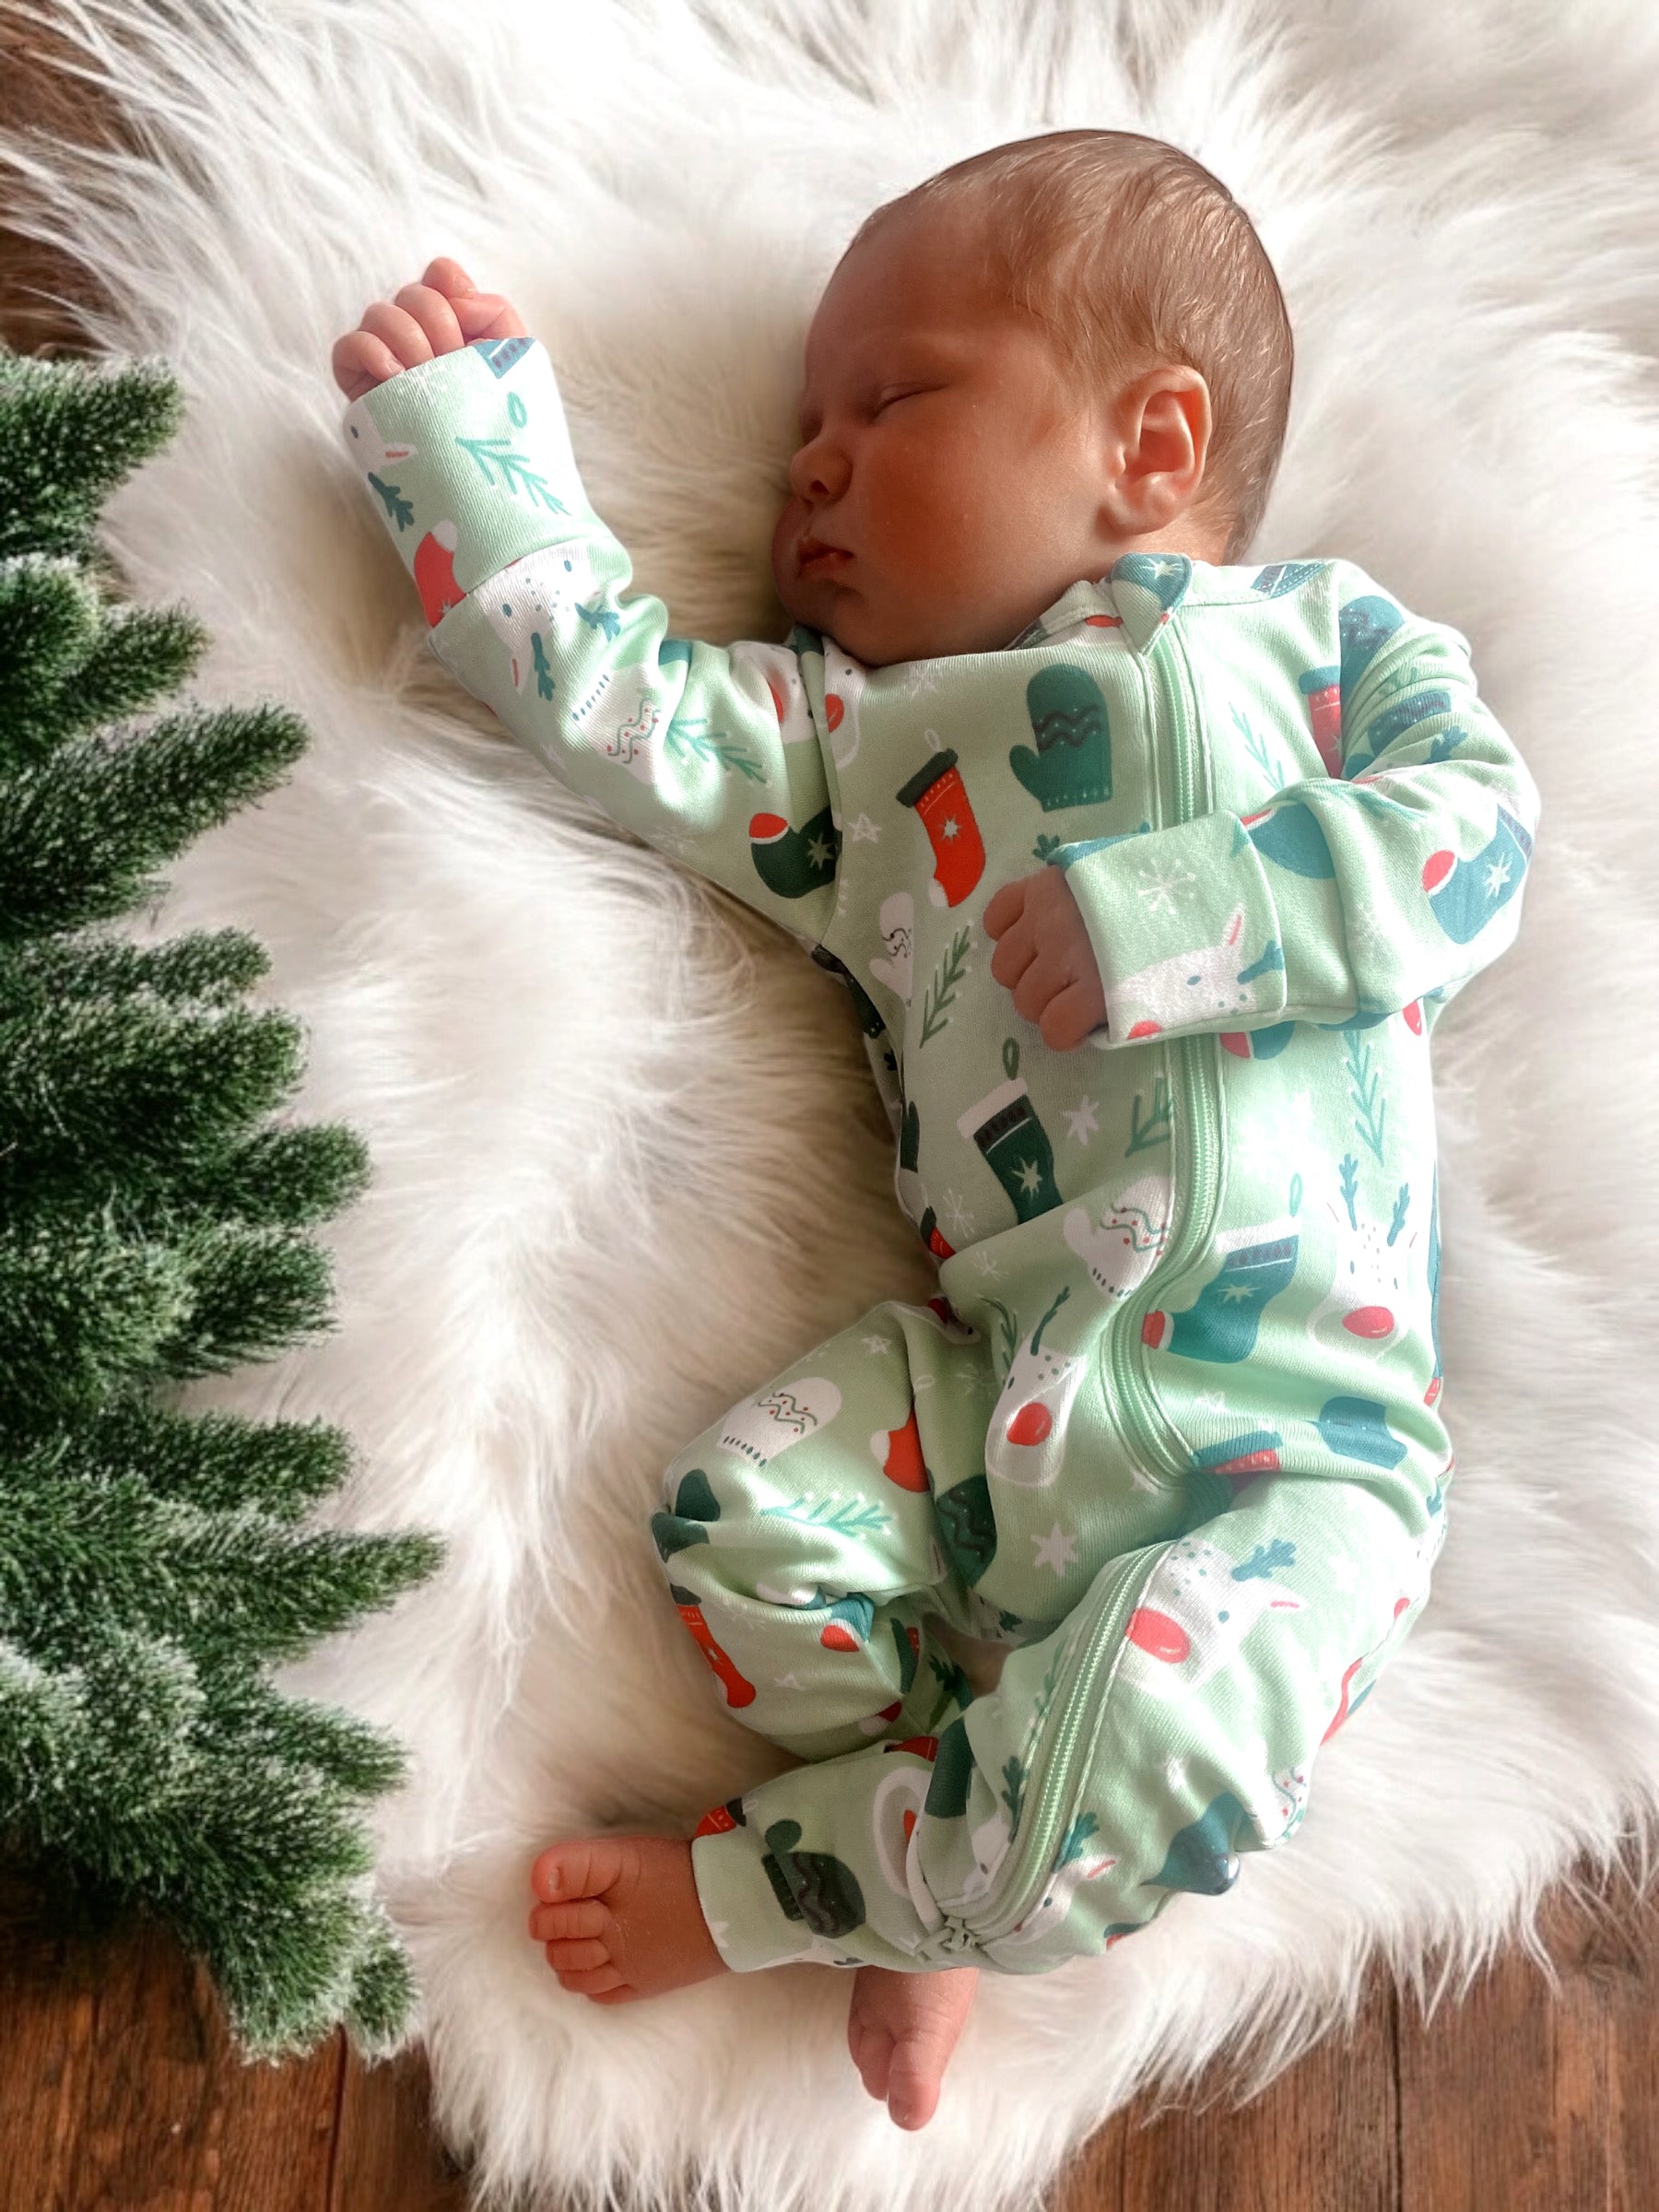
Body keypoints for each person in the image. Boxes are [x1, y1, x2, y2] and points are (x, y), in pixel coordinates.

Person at [332, 128, 1539, 2133]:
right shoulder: (851, 754)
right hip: (992, 1406)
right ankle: (930, 1867)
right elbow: (615, 698)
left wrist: (1189, 915)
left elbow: (1482, 841)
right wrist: (468, 448)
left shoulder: (1316, 650)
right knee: (741, 1522)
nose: (811, 461)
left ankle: (802, 1892)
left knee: (1157, 1770)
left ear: (1152, 445)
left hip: (1288, 1453)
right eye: (810, 416)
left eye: (890, 400)